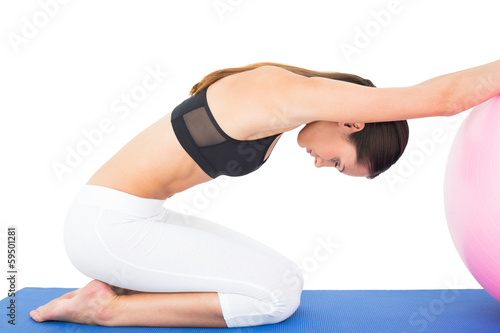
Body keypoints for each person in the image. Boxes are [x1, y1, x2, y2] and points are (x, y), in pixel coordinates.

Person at [30, 60, 500, 328]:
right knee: (276, 298)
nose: (320, 164)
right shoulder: (281, 94)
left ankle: (121, 286)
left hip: (129, 220)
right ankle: (107, 309)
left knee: (287, 278)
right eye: (337, 161)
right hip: (108, 227)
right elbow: (447, 98)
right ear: (353, 121)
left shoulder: (283, 100)